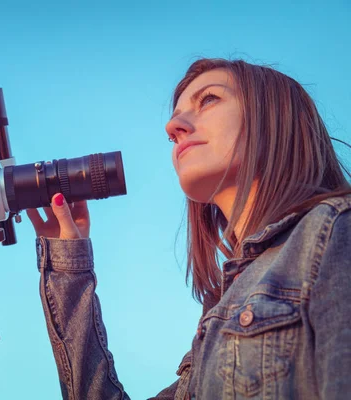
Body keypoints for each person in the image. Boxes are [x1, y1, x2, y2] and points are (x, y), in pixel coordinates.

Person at [25, 58, 351, 400]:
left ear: (274, 117)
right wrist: (67, 262)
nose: (172, 125)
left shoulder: (333, 233)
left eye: (208, 99)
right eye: (175, 116)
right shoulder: (220, 317)